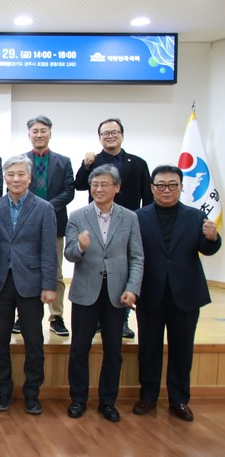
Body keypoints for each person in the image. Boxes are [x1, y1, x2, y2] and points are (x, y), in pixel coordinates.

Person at [133, 165, 221, 422]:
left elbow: (207, 248)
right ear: (152, 188)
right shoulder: (138, 217)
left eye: (173, 185)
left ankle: (179, 400)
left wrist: (213, 238)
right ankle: (148, 396)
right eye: (161, 185)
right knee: (148, 349)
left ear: (181, 187)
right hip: (150, 291)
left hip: (185, 293)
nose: (167, 190)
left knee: (182, 350)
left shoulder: (195, 216)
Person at [64, 164, 143, 422]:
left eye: (104, 184)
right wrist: (80, 247)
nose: (98, 189)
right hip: (85, 291)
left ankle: (108, 402)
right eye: (94, 185)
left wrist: (132, 288)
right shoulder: (78, 216)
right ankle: (78, 399)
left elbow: (137, 257)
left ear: (117, 188)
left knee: (113, 351)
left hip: (117, 293)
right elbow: (69, 254)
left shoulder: (129, 218)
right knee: (79, 349)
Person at [0, 154, 57, 415]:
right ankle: (2, 391)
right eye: (11, 174)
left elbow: (49, 250)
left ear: (30, 177)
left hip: (31, 284)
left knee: (34, 341)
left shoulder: (44, 208)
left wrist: (49, 285)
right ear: (5, 177)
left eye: (21, 174)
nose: (16, 179)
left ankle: (32, 393)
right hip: (0, 283)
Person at [74, 118, 152, 339]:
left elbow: (148, 197)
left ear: (122, 135)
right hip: (97, 223)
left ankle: (122, 320)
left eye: (114, 132)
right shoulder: (93, 161)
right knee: (96, 270)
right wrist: (86, 165)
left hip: (126, 224)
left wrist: (144, 224)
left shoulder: (138, 163)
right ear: (99, 138)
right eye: (105, 133)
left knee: (122, 272)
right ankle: (97, 320)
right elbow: (79, 185)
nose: (110, 136)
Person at [13, 116, 75, 337]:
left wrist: (46, 208)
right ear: (29, 135)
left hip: (54, 224)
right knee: (22, 270)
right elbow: (14, 189)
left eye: (43, 131)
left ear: (50, 133)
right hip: (24, 225)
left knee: (55, 271)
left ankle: (56, 316)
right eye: (35, 131)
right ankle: (21, 316)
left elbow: (69, 191)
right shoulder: (20, 162)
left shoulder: (63, 161)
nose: (39, 135)